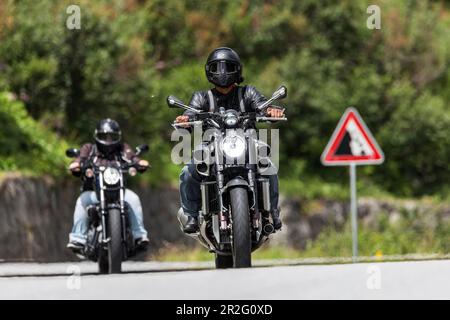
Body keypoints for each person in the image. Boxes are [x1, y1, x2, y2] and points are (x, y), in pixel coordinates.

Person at [175, 47, 284, 234]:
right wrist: (185, 120)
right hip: (212, 145)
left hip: (247, 143)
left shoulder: (248, 92)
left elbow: (261, 106)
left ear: (237, 70)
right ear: (209, 71)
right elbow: (191, 112)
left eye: (228, 67)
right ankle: (192, 215)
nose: (223, 72)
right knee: (188, 171)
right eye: (217, 67)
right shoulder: (202, 97)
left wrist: (270, 111)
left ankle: (272, 212)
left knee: (267, 164)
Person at [67, 118, 149, 252]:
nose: (109, 140)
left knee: (134, 199)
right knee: (82, 200)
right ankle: (78, 238)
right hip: (96, 194)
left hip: (120, 193)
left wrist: (139, 163)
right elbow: (80, 159)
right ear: (97, 135)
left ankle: (139, 236)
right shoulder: (89, 149)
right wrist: (77, 165)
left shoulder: (123, 149)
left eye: (112, 137)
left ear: (118, 137)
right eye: (105, 136)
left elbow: (133, 158)